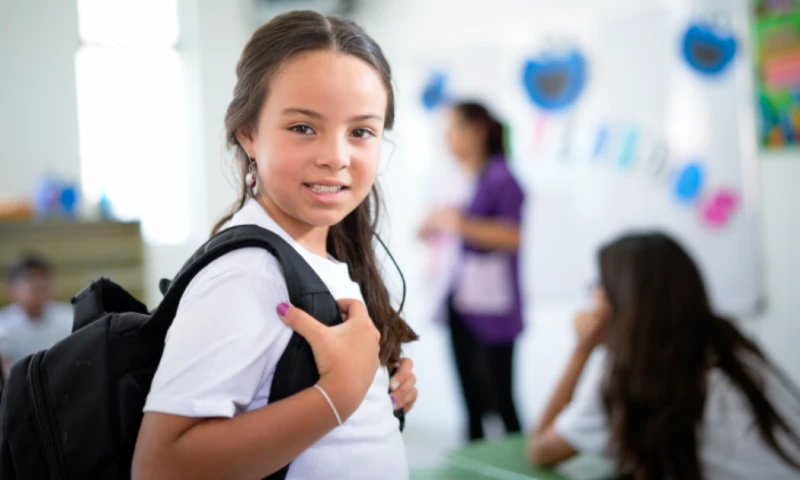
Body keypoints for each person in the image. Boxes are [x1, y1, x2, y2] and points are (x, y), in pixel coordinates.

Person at [131, 11, 420, 480]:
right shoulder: (248, 272)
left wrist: (376, 391)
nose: (336, 157)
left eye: (361, 131)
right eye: (303, 127)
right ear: (249, 133)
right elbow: (159, 468)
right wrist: (339, 396)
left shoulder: (322, 255)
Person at [528, 232, 800, 480]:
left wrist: (581, 350)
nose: (591, 297)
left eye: (599, 286)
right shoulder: (731, 348)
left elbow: (539, 450)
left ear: (621, 300)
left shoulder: (625, 379)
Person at [419, 101, 525, 441]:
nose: (447, 139)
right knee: (471, 404)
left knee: (502, 400)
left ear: (477, 130)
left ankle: (515, 462)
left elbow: (512, 236)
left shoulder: (501, 178)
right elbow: (432, 228)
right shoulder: (453, 179)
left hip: (491, 306)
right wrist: (432, 225)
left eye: (453, 130)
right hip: (456, 298)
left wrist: (458, 223)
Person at [0, 255, 72, 379]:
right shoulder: (3, 324)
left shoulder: (69, 317)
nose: (39, 287)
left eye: (44, 282)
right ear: (12, 288)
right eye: (31, 281)